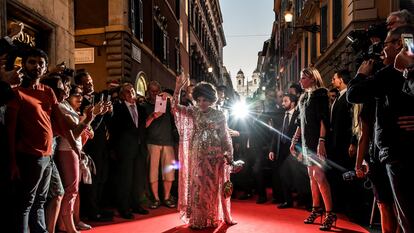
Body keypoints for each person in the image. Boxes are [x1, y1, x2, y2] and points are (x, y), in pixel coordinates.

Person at [172, 74, 242, 229]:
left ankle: (211, 218)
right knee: (198, 186)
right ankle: (198, 219)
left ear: (211, 100)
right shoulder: (193, 112)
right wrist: (178, 89)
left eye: (205, 100)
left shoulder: (219, 114)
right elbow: (175, 108)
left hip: (215, 156)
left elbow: (224, 137)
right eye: (199, 100)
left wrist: (229, 158)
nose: (202, 103)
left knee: (212, 187)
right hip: (197, 155)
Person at [290, 67, 335, 231]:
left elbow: (324, 120)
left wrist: (322, 141)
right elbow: (299, 123)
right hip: (306, 142)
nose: (300, 80)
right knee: (311, 175)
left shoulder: (321, 94)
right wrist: (294, 141)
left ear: (312, 79)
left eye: (303, 78)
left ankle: (330, 213)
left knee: (319, 176)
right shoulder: (303, 97)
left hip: (317, 140)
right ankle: (316, 209)